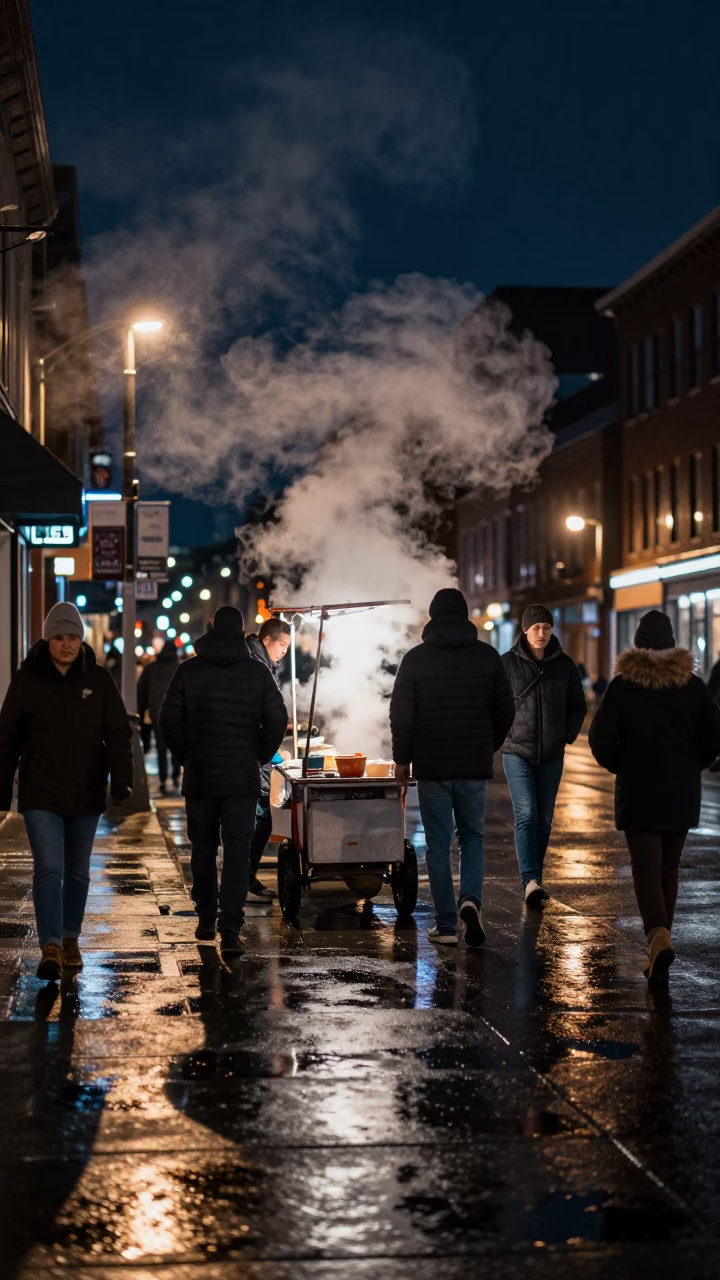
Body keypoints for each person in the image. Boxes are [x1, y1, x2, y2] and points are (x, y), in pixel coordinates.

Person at [0, 603, 133, 981]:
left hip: (86, 790)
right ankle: (51, 946)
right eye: (59, 637)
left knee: (77, 872)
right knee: (49, 868)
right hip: (40, 791)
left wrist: (122, 779)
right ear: (48, 639)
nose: (67, 644)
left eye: (73, 636)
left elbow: (118, 733)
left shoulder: (100, 680)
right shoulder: (27, 680)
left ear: (81, 639)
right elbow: (7, 739)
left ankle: (71, 939)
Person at [589, 609, 720, 983]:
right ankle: (660, 941)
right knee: (669, 866)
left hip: (639, 790)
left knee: (646, 866)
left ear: (638, 643)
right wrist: (693, 765)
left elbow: (600, 740)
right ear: (672, 642)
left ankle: (657, 937)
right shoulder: (693, 686)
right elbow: (714, 735)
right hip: (681, 791)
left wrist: (623, 766)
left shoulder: (623, 685)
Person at [390, 588, 515, 948]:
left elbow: (401, 715)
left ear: (432, 617)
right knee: (472, 837)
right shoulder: (487, 657)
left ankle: (446, 926)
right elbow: (506, 711)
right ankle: (471, 900)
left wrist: (402, 760)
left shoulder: (415, 659)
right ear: (465, 616)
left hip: (433, 767)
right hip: (474, 766)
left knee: (438, 844)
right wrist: (485, 745)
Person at [158, 605, 287, 954]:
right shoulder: (257, 673)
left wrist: (188, 755)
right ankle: (230, 929)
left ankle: (205, 917)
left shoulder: (188, 671)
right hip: (242, 778)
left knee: (202, 849)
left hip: (201, 777)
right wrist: (258, 755)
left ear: (213, 628)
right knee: (237, 852)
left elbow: (168, 719)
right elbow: (278, 720)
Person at [501, 605, 587, 908]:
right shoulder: (507, 664)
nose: (541, 633)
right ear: (525, 631)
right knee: (526, 816)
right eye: (535, 628)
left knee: (544, 821)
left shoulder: (564, 666)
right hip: (517, 752)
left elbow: (579, 705)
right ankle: (530, 880)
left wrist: (566, 734)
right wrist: (505, 736)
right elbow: (494, 705)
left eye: (546, 628)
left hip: (552, 754)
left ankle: (534, 878)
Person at [246, 618, 291, 903]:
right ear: (267, 640)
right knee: (261, 817)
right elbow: (260, 715)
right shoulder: (256, 666)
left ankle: (242, 877)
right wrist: (270, 753)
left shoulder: (262, 662)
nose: (284, 651)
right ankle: (244, 878)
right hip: (252, 756)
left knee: (258, 818)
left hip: (254, 754)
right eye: (282, 645)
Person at [137, 638, 181, 794]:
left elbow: (141, 692)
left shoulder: (151, 668)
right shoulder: (180, 668)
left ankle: (163, 778)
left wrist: (141, 713)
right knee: (176, 744)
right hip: (177, 714)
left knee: (161, 746)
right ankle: (176, 774)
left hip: (157, 712)